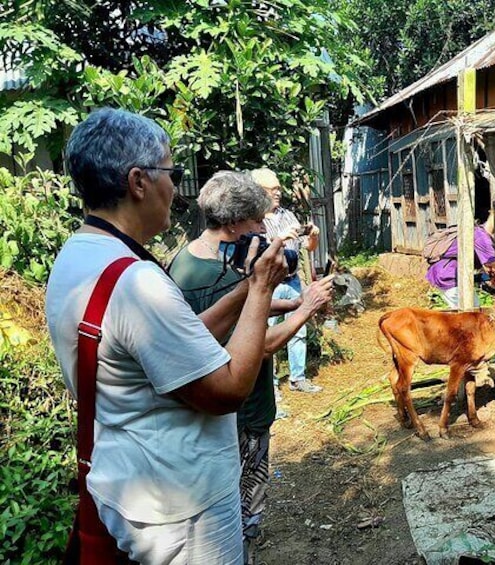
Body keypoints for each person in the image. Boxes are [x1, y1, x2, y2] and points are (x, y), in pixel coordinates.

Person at [46, 108, 289, 563]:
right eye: (170, 172)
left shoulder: (79, 258)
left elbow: (180, 345)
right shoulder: (137, 283)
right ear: (138, 182)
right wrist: (260, 288)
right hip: (181, 510)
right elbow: (228, 389)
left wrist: (240, 290)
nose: (175, 187)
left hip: (130, 485)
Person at [168, 171, 334, 564]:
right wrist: (307, 308)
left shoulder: (190, 259)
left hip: (210, 417)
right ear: (232, 224)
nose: (263, 229)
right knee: (240, 517)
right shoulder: (219, 277)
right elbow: (257, 346)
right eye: (257, 222)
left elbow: (239, 311)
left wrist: (289, 303)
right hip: (238, 420)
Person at [250, 167, 324, 393]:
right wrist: (277, 239)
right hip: (268, 284)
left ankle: (297, 377)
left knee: (298, 328)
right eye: (271, 189)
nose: (277, 193)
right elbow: (255, 249)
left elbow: (308, 248)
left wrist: (313, 237)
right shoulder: (253, 219)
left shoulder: (288, 215)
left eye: (278, 188)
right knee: (263, 335)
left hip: (291, 281)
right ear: (257, 191)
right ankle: (269, 387)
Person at [425, 205, 495, 309]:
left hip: (457, 277)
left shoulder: (483, 234)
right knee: (470, 311)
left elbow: (489, 267)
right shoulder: (481, 238)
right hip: (448, 275)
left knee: (473, 309)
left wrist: (493, 275)